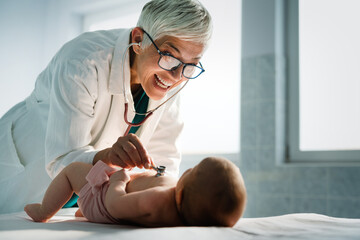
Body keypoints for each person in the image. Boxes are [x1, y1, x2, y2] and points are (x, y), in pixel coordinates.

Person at [0, 0, 212, 213]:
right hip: (23, 171)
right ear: (139, 40)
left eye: (191, 65)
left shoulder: (172, 84)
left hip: (86, 198)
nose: (176, 76)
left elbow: (164, 162)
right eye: (168, 56)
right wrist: (107, 157)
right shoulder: (83, 61)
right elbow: (62, 159)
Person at [24, 157, 247, 227]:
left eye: (194, 171)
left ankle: (45, 210)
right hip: (103, 203)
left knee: (72, 171)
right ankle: (85, 211)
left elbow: (115, 205)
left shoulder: (158, 201)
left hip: (103, 198)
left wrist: (118, 182)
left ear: (180, 196)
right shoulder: (182, 211)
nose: (188, 169)